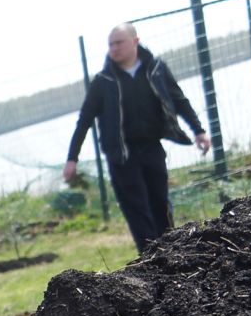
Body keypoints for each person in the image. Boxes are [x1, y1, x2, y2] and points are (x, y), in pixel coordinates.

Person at [64, 23, 212, 254]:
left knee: (160, 203)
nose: (114, 48)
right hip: (121, 156)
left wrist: (199, 131)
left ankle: (173, 255)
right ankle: (150, 259)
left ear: (135, 41)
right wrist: (72, 158)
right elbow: (84, 120)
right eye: (110, 44)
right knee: (137, 210)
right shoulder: (103, 81)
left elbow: (179, 100)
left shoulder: (156, 69)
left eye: (119, 42)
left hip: (152, 148)